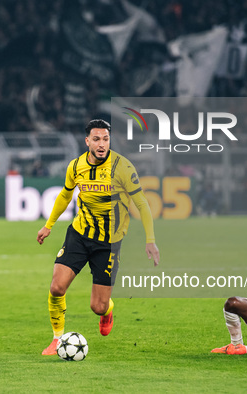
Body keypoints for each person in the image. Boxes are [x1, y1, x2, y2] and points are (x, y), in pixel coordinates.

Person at [37, 119, 160, 355]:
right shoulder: (75, 166)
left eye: (105, 139)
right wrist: (48, 225)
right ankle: (56, 338)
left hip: (109, 244)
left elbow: (142, 204)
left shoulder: (122, 167)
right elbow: (65, 195)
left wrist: (150, 240)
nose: (102, 144)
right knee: (56, 287)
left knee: (98, 306)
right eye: (96, 139)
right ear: (87, 141)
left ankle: (107, 309)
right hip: (79, 234)